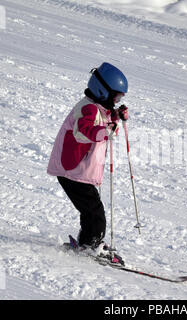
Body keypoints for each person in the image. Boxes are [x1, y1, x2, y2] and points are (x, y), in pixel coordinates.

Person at [47, 62, 129, 265]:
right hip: (72, 170)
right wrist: (106, 130)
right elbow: (85, 129)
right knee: (95, 211)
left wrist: (116, 117)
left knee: (90, 209)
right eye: (116, 96)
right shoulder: (88, 109)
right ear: (103, 91)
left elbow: (104, 121)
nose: (117, 101)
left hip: (77, 170)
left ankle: (88, 242)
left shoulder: (96, 107)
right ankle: (92, 244)